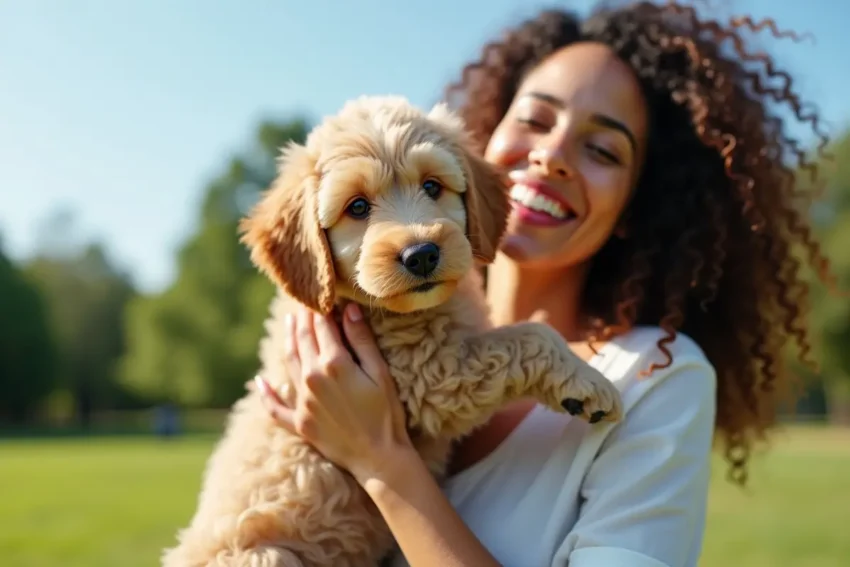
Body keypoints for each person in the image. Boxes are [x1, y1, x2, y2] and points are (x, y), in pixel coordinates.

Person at [255, 2, 834, 566]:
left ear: (637, 203)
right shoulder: (333, 338)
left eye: (602, 149)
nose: (552, 156)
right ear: (487, 135)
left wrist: (384, 464)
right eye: (534, 119)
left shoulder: (656, 378)